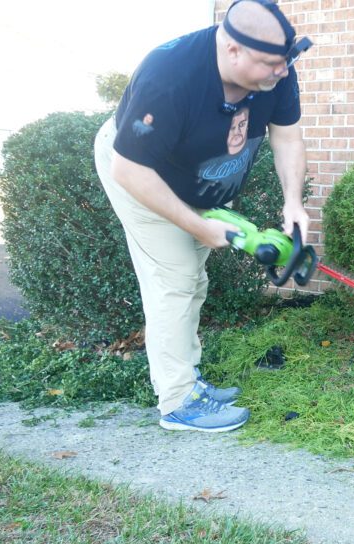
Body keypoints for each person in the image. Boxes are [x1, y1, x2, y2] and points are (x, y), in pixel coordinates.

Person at [93, 0, 313, 432]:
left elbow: (287, 138)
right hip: (142, 172)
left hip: (196, 180)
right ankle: (177, 402)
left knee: (194, 279)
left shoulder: (276, 72)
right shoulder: (170, 75)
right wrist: (197, 226)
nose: (282, 72)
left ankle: (187, 379)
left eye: (285, 62)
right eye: (271, 64)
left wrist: (293, 203)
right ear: (233, 51)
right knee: (173, 278)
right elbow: (130, 169)